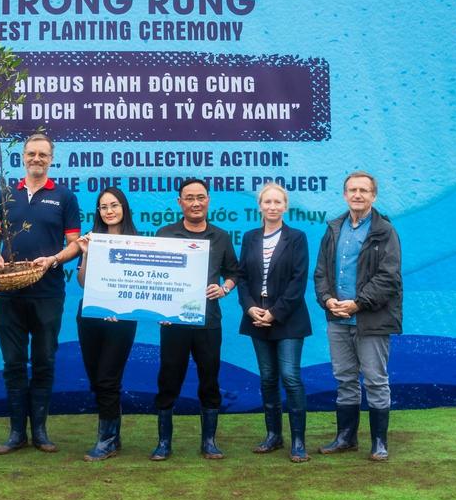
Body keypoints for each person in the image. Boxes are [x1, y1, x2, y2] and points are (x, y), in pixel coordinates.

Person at [0, 133, 82, 454]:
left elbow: (74, 244)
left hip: (48, 293)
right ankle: (17, 432)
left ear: (51, 159)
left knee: (44, 361)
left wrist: (54, 259)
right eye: (31, 153)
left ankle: (40, 432)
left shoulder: (64, 197)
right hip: (10, 294)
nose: (36, 159)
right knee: (13, 362)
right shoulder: (5, 195)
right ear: (22, 156)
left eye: (42, 154)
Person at [150, 178, 241, 461]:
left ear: (208, 200)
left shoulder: (221, 237)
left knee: (209, 379)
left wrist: (224, 288)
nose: (195, 203)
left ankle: (209, 442)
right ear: (180, 202)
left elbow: (234, 272)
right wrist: (158, 309)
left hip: (208, 322)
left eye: (200, 197)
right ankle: (164, 443)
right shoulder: (165, 234)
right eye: (189, 198)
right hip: (173, 323)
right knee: (168, 379)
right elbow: (153, 275)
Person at [313, 170, 402, 461]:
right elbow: (321, 272)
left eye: (364, 190)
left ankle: (379, 442)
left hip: (371, 319)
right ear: (344, 195)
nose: (358, 195)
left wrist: (358, 304)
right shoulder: (333, 228)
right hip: (337, 319)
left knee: (375, 380)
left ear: (373, 196)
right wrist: (327, 300)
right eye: (352, 190)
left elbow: (389, 277)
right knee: (344, 379)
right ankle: (346, 438)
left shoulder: (385, 231)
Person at [236, 183, 312, 463]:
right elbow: (242, 278)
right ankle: (273, 436)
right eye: (267, 202)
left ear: (285, 206)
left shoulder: (297, 238)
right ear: (260, 206)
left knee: (290, 377)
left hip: (288, 319)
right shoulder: (250, 237)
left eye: (277, 202)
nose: (272, 206)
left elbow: (298, 281)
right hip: (256, 318)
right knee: (267, 378)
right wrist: (250, 308)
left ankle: (298, 441)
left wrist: (275, 313)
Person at [75, 187, 139, 462]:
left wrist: (120, 309)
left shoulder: (138, 243)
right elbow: (83, 282)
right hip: (90, 317)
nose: (109, 211)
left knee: (107, 379)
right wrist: (86, 253)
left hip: (120, 321)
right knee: (96, 379)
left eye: (114, 205)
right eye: (103, 207)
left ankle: (107, 440)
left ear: (124, 208)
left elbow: (141, 285)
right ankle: (113, 435)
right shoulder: (92, 238)